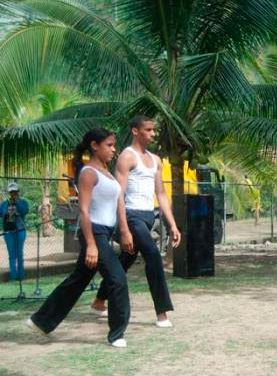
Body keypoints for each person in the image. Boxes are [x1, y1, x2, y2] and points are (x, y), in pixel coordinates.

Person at [27, 128, 131, 348]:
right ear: (95, 145)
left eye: (114, 145)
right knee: (117, 279)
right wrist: (92, 245)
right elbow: (83, 211)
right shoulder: (88, 173)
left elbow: (118, 202)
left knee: (78, 280)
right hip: (94, 232)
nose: (114, 149)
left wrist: (124, 230)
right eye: (109, 145)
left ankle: (41, 321)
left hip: (106, 232)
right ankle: (117, 334)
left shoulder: (108, 173)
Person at [90, 116, 181, 328]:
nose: (153, 134)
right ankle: (162, 312)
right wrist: (123, 228)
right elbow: (118, 195)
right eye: (148, 130)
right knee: (153, 256)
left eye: (153, 130)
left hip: (148, 216)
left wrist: (173, 225)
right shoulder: (126, 157)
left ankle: (98, 301)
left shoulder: (156, 159)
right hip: (131, 216)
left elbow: (161, 193)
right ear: (135, 131)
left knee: (125, 260)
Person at [0, 182, 29, 281]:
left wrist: (17, 202)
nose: (13, 194)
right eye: (11, 192)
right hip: (8, 232)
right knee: (11, 255)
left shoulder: (23, 202)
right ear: (9, 192)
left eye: (15, 191)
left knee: (19, 254)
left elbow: (24, 211)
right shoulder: (4, 204)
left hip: (20, 231)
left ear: (18, 192)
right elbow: (1, 214)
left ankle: (21, 277)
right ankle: (13, 277)